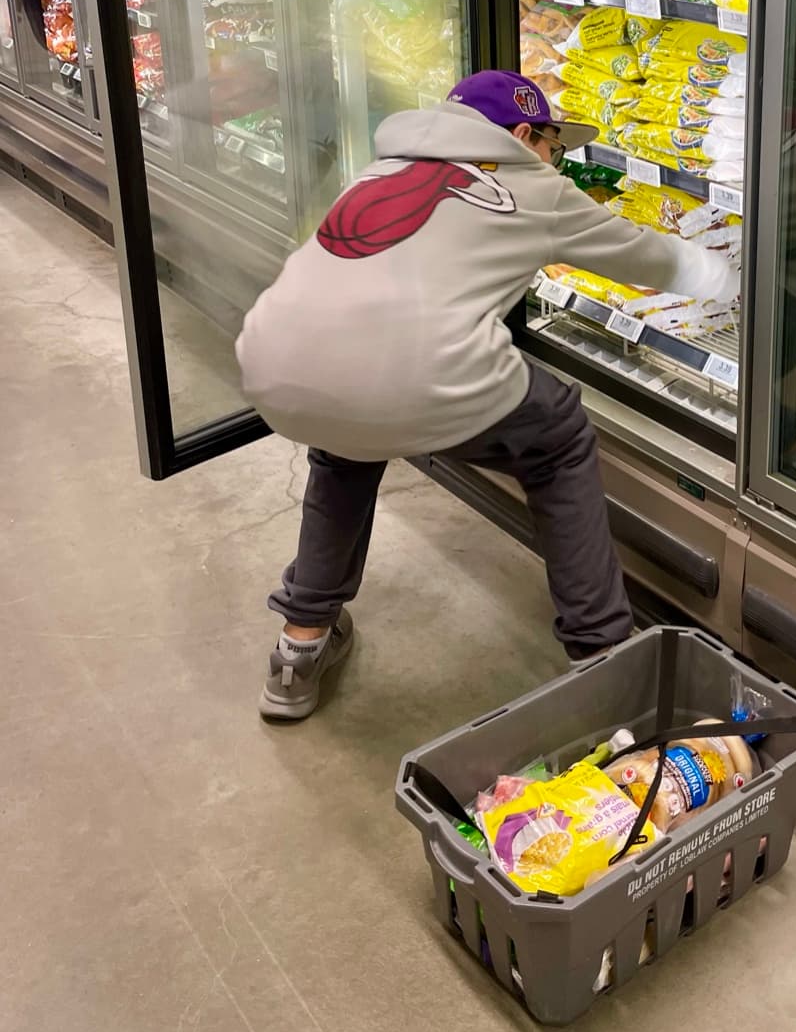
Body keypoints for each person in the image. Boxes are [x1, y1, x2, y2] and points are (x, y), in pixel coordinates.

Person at [237, 69, 739, 720]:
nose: (557, 163)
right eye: (555, 147)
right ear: (524, 135)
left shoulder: (382, 169)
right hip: (411, 373)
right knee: (557, 437)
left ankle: (299, 645)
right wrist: (738, 279)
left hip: (275, 359)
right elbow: (651, 259)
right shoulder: (533, 185)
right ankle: (604, 658)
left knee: (346, 444)